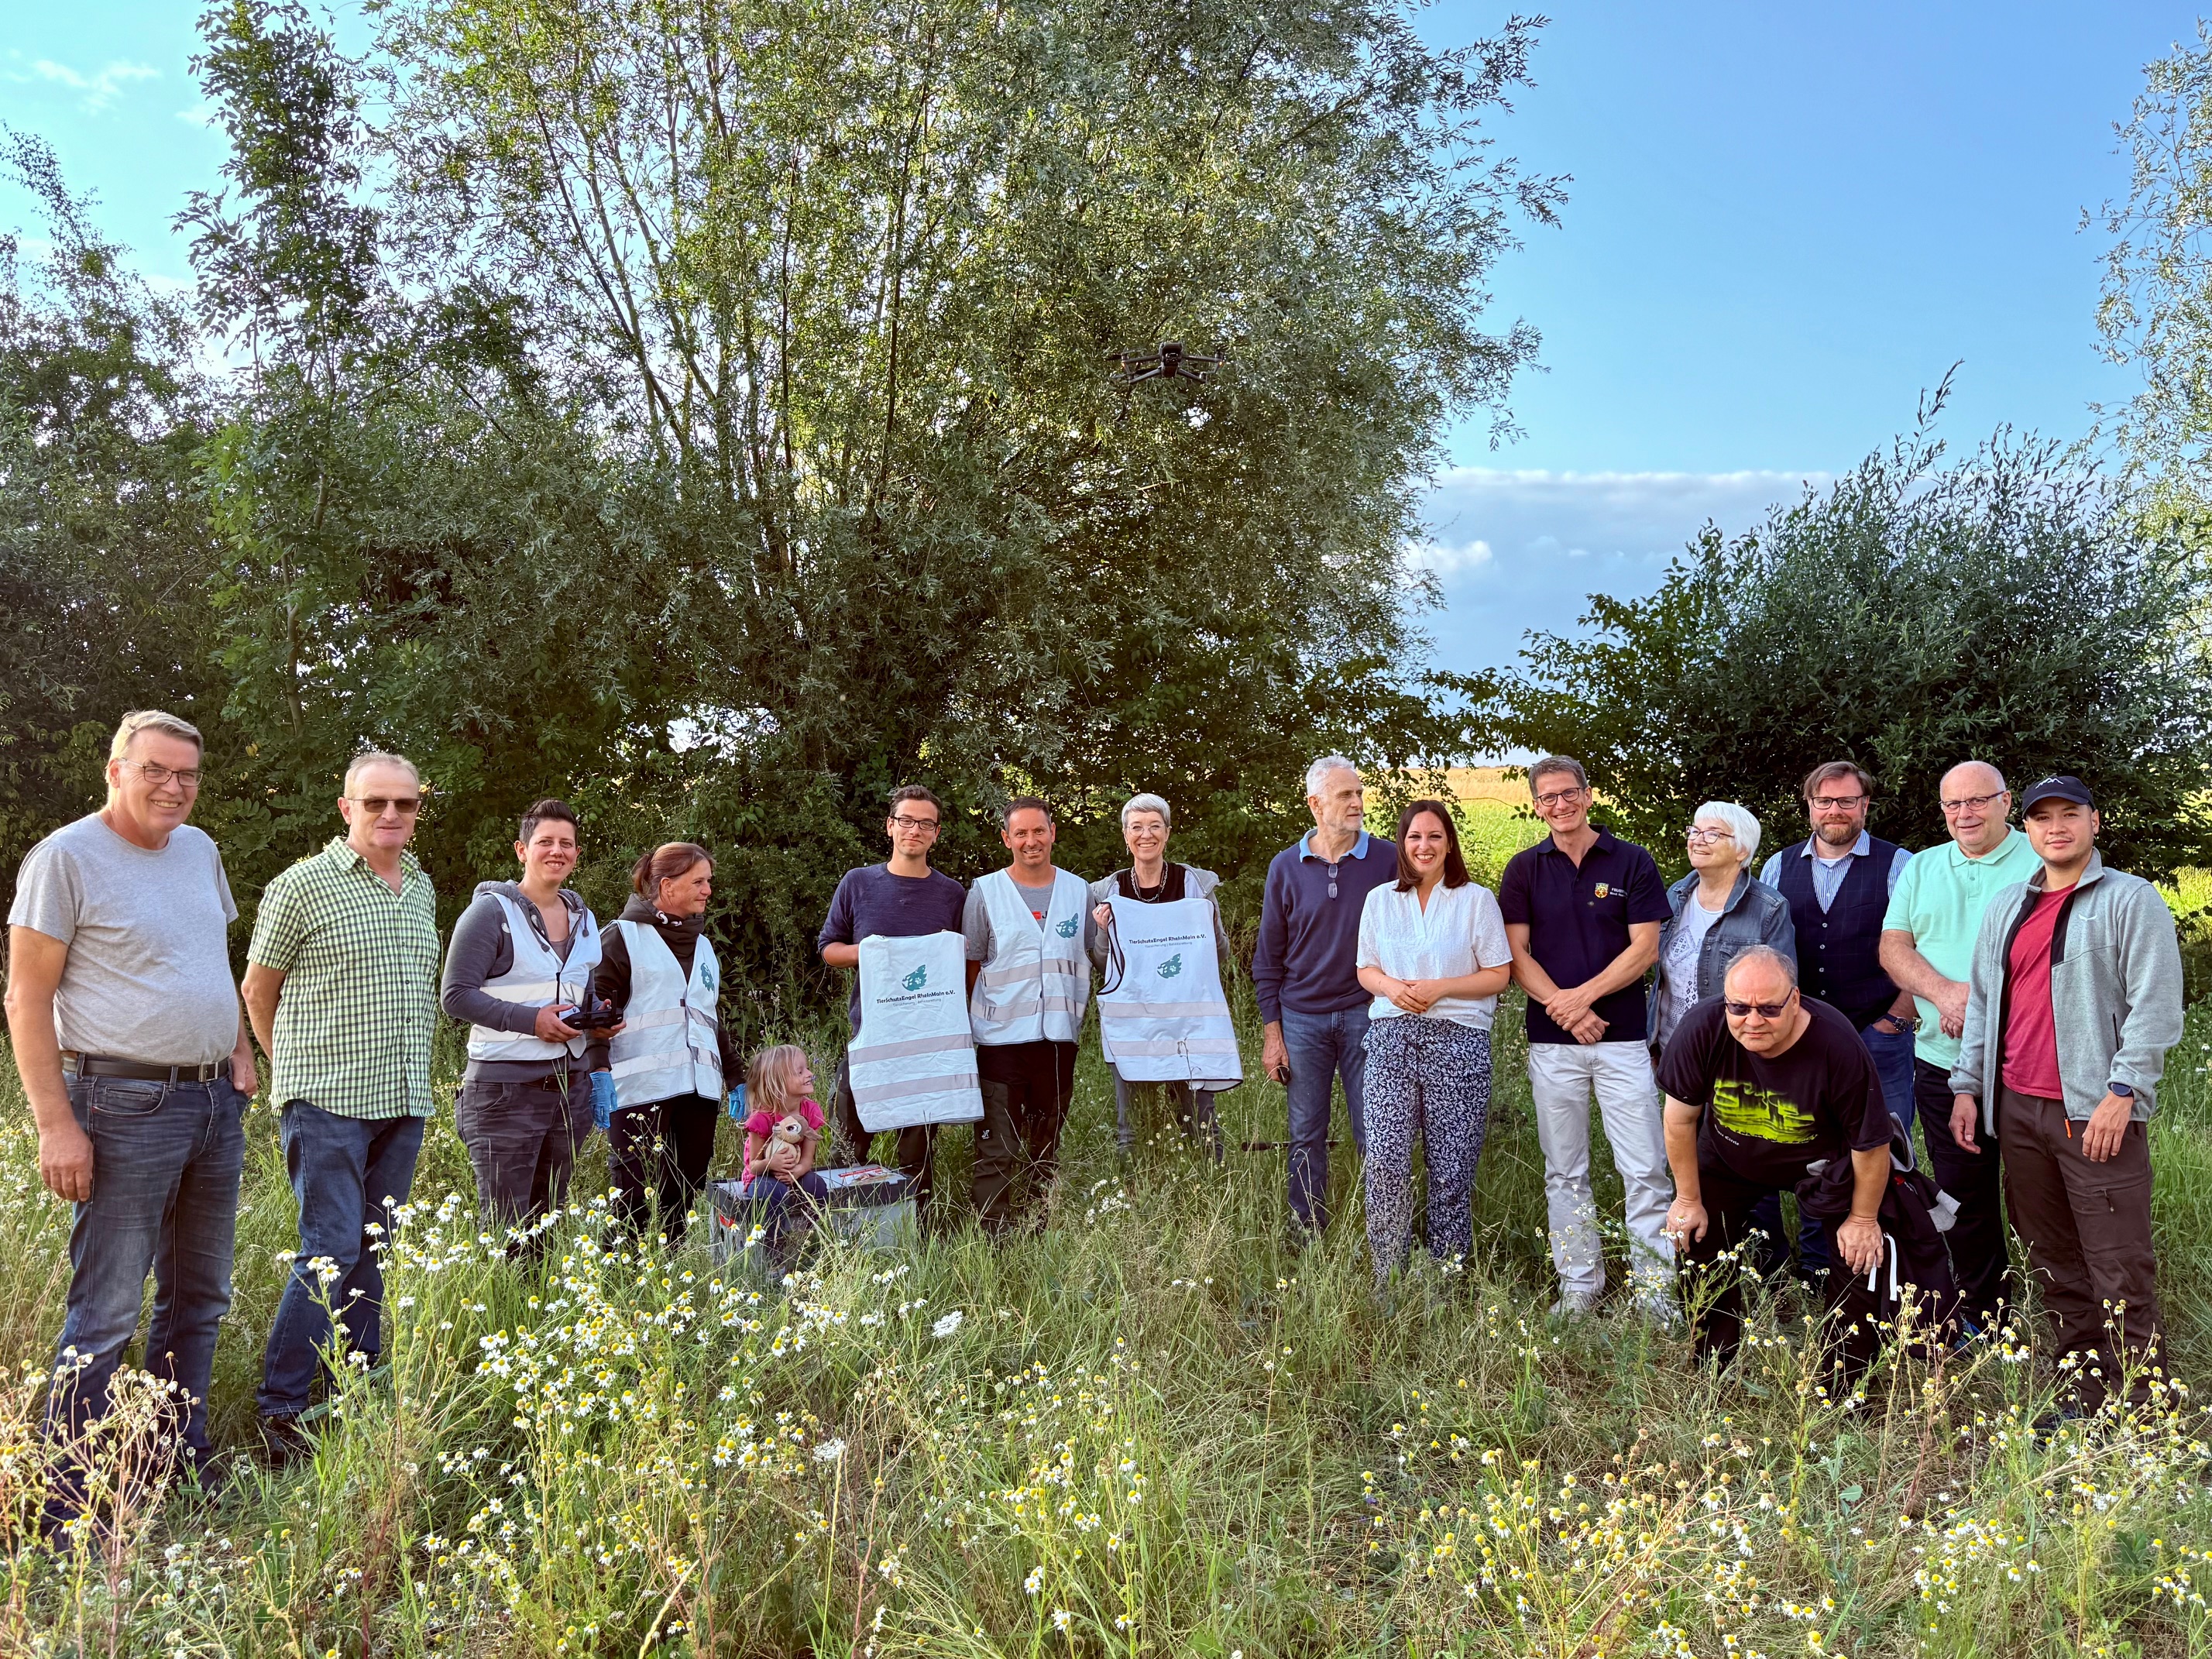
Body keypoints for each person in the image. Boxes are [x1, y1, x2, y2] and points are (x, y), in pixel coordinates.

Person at [5, 710, 256, 1498]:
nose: (173, 788)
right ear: (116, 770)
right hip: (119, 1104)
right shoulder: (66, 859)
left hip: (214, 1101)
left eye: (186, 774)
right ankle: (69, 1499)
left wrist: (240, 1048)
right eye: (155, 770)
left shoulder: (199, 848)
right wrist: (56, 1126)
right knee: (108, 1307)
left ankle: (170, 1460)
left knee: (200, 1295)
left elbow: (213, 956)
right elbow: (25, 996)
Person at [1949, 775, 2183, 1411]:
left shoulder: (2130, 901)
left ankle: (2141, 1409)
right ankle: (2085, 1393)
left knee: (2118, 1265)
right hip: (2018, 1111)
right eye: (2042, 817)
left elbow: (2156, 1006)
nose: (2056, 827)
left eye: (2069, 814)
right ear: (2025, 829)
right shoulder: (2007, 906)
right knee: (2052, 1257)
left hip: (2094, 1112)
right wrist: (1969, 1086)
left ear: (2094, 822)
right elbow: (1984, 1007)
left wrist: (2123, 1089)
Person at [244, 751, 440, 1460]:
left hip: (403, 1096)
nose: (391, 815)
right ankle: (283, 1410)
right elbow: (258, 989)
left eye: (405, 804)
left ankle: (354, 1390)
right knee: (329, 1251)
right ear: (346, 807)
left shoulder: (419, 885)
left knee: (374, 1250)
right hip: (326, 1099)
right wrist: (286, 1069)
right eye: (376, 802)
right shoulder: (302, 886)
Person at [1498, 755, 1675, 1318]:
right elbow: (1514, 956)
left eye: (1568, 793)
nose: (1560, 805)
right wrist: (1567, 1011)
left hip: (1623, 1041)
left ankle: (1655, 1291)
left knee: (1645, 1166)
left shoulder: (1632, 861)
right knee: (1564, 1169)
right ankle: (1580, 1285)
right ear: (1535, 805)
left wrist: (1583, 1000)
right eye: (1547, 797)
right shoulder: (1524, 869)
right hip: (1553, 1045)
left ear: (1588, 795)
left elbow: (1645, 949)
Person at [1658, 947, 1894, 1367]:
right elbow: (1679, 1121)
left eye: (1769, 1008)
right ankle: (1715, 1363)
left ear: (1796, 999)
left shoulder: (1837, 1044)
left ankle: (1842, 1383)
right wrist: (1688, 1200)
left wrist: (1862, 1220)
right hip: (1730, 1158)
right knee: (1693, 1234)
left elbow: (1871, 1144)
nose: (1752, 1020)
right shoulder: (1701, 1029)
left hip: (1823, 1165)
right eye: (1739, 1007)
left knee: (1861, 1257)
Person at [1878, 761, 2042, 1329]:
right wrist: (1944, 993)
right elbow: (1894, 948)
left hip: (2030, 1066)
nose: (1965, 814)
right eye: (1953, 805)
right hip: (1942, 1065)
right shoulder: (1922, 868)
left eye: (1978, 801)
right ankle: (1986, 1314)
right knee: (1963, 1195)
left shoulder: (2041, 857)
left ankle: (2063, 1309)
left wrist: (1988, 1003)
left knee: (2036, 1195)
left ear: (2006, 801)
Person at [1353, 800, 1513, 1286]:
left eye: (1435, 837)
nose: (1424, 846)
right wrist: (1392, 988)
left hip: (1459, 1039)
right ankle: (1390, 1273)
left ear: (1449, 844)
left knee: (1452, 1164)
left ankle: (1448, 1276)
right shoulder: (1381, 900)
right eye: (1415, 837)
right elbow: (1365, 969)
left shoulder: (1475, 900)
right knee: (1385, 1158)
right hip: (1391, 1037)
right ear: (1402, 844)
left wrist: (1442, 986)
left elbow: (1499, 975)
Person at [439, 799, 608, 1243]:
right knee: (504, 1232)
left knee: (549, 1224)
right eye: (545, 842)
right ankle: (496, 1311)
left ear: (577, 853)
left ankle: (541, 1313)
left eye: (567, 843)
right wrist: (531, 1021)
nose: (558, 851)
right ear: (521, 850)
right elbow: (455, 996)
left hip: (570, 1089)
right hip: (504, 1092)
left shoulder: (584, 918)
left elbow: (579, 989)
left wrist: (597, 1020)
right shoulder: (491, 913)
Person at [1252, 756, 1400, 1236]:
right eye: (1345, 795)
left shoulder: (1388, 859)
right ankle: (1307, 1231)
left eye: (1359, 794)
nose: (1357, 802)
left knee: (1375, 1130)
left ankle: (1386, 1232)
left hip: (1369, 1014)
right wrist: (1273, 1034)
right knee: (1305, 1133)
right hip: (1301, 1019)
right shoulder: (1286, 867)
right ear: (1315, 804)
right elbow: (1268, 958)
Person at [818, 785, 967, 1214]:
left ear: (936, 833)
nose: (914, 830)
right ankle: (840, 1230)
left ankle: (913, 1232)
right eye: (906, 820)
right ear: (890, 826)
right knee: (849, 1144)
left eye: (925, 824)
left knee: (917, 1154)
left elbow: (962, 961)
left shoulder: (951, 894)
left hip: (927, 1043)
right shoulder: (859, 883)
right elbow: (829, 948)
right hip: (870, 1035)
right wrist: (870, 951)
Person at [1757, 762, 1918, 1135]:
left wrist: (1897, 1019)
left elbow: (1922, 947)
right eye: (1824, 800)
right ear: (1810, 806)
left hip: (1880, 1032)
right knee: (1811, 1142)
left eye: (1847, 800)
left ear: (1865, 805)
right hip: (1801, 1033)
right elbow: (1764, 953)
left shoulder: (1900, 864)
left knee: (1887, 1142)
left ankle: (1889, 1196)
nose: (1835, 810)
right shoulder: (1776, 867)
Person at [592, 843, 740, 1245]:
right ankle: (619, 1279)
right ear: (668, 886)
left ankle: (670, 1273)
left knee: (687, 1188)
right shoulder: (621, 938)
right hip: (640, 1089)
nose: (708, 890)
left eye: (709, 881)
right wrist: (598, 1071)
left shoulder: (705, 947)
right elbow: (597, 1012)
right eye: (699, 881)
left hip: (698, 1089)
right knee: (633, 1196)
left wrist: (735, 1077)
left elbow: (708, 1017)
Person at [963, 797, 1092, 1235]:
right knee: (998, 1146)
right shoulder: (984, 892)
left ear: (1053, 832)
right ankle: (994, 1235)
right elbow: (971, 963)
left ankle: (1039, 1227)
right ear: (1006, 839)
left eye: (1039, 831)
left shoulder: (1080, 892)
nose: (1031, 841)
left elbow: (1097, 954)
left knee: (1046, 1143)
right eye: (1021, 833)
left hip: (1058, 1040)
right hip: (1000, 1042)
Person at [1086, 792, 1234, 1160]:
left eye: (1154, 826)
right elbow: (1104, 964)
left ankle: (1211, 1192)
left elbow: (1220, 954)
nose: (1146, 835)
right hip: (1133, 1024)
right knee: (1131, 1128)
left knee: (1199, 1121)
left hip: (1189, 1024)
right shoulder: (1108, 890)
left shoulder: (1194, 885)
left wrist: (1211, 926)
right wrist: (1103, 930)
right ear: (1125, 835)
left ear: (1167, 833)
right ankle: (1136, 1203)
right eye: (1137, 827)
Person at [1651, 802, 1795, 1053]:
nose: (1698, 840)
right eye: (1694, 831)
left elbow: (1781, 990)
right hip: (1671, 1052)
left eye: (1713, 834)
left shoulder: (1769, 908)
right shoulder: (1676, 895)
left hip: (1731, 1055)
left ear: (1742, 850)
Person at [726, 1044, 833, 1262]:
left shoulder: (810, 1111)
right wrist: (772, 1163)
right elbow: (753, 1166)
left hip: (796, 1173)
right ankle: (774, 1249)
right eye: (800, 1071)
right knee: (772, 1192)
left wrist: (797, 1171)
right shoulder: (763, 1118)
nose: (810, 1074)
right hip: (762, 1175)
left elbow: (807, 1162)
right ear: (779, 1082)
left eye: (807, 1069)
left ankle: (810, 1240)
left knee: (818, 1186)